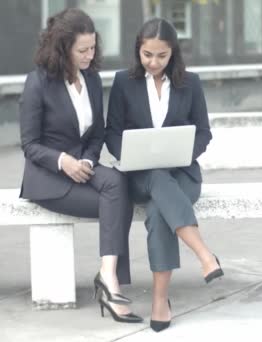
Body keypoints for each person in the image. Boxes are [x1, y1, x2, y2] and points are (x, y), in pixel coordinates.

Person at [18, 8, 142, 323]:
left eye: (93, 48)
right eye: (82, 50)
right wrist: (63, 162)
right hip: (49, 180)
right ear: (63, 48)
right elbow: (30, 146)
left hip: (84, 169)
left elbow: (97, 133)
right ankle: (110, 282)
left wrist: (87, 159)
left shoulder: (91, 78)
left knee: (118, 181)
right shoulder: (37, 83)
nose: (90, 55)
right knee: (118, 197)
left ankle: (107, 275)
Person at [105, 18, 224, 332]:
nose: (154, 62)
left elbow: (204, 133)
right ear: (138, 51)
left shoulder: (190, 83)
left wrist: (183, 153)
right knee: (157, 179)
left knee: (160, 210)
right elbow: (113, 134)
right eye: (147, 55)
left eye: (161, 56)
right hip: (140, 175)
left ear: (174, 54)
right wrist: (130, 155)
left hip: (182, 173)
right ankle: (205, 255)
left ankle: (160, 300)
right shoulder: (123, 82)